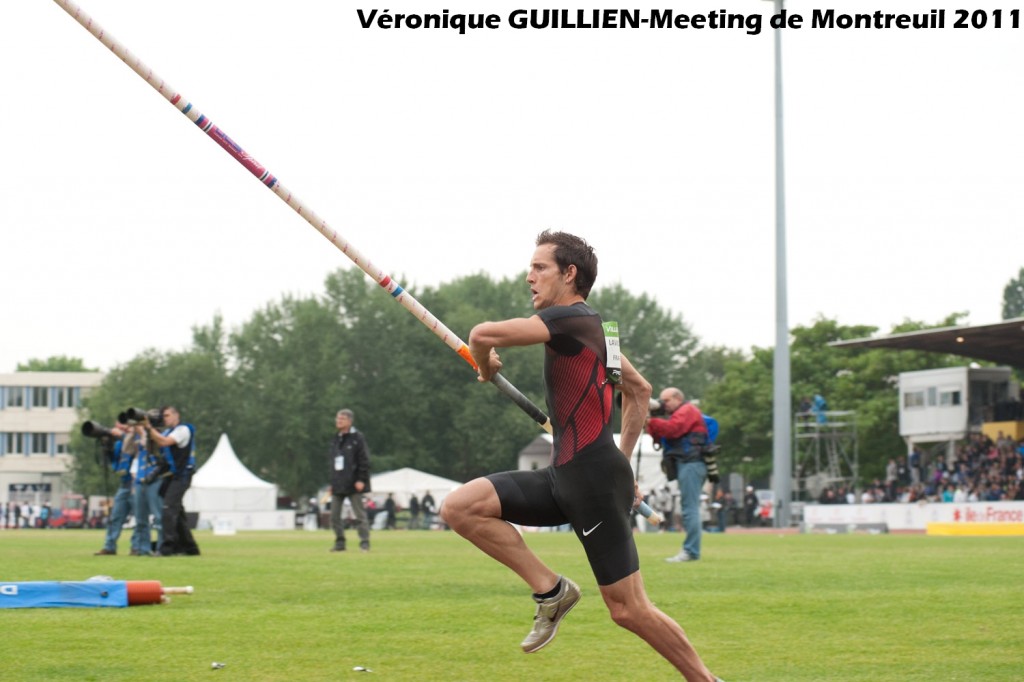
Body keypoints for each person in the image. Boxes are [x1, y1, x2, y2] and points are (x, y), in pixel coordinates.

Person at [440, 231, 721, 680]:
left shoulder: (569, 318)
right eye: (530, 268)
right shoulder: (597, 328)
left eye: (540, 268)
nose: (529, 276)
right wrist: (624, 462)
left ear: (570, 274)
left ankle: (705, 680)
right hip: (568, 475)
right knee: (461, 507)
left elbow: (482, 333)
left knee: (629, 610)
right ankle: (551, 590)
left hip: (589, 479)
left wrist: (485, 363)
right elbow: (639, 390)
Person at [646, 387, 709, 563]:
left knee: (690, 508)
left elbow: (673, 429)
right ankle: (691, 550)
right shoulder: (677, 413)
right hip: (687, 464)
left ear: (677, 398)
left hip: (691, 464)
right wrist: (649, 421)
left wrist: (650, 420)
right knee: (689, 507)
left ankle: (691, 551)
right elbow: (659, 437)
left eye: (666, 401)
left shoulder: (688, 410)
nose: (663, 404)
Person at [145, 406, 200, 557]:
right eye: (163, 416)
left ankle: (168, 548)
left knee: (168, 509)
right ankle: (190, 548)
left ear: (177, 415)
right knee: (177, 512)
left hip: (182, 475)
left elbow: (163, 442)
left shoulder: (183, 430)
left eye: (168, 415)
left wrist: (149, 428)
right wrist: (141, 428)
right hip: (173, 476)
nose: (165, 418)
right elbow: (154, 442)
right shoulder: (169, 431)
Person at [328, 408, 372, 552]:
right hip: (338, 483)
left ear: (349, 421)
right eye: (337, 419)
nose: (338, 421)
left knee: (359, 515)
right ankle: (340, 542)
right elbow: (334, 463)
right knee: (334, 515)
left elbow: (364, 460)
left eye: (341, 419)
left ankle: (364, 542)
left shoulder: (357, 438)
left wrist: (361, 479)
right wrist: (332, 482)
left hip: (354, 483)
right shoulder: (336, 439)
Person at [94, 423, 141, 555]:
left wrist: (123, 436)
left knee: (139, 518)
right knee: (115, 517)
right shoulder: (119, 444)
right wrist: (107, 447)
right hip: (124, 483)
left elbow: (137, 449)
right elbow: (114, 461)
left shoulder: (138, 437)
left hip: (136, 482)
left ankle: (136, 547)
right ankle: (109, 546)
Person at [130, 428, 163, 555]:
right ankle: (143, 548)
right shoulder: (140, 444)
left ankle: (161, 547)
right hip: (140, 481)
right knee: (140, 518)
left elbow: (157, 451)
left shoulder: (157, 439)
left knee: (158, 516)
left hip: (154, 480)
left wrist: (146, 433)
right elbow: (129, 449)